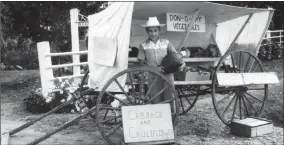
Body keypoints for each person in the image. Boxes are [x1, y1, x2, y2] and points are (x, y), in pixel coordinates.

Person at [137, 17, 185, 106]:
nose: (153, 33)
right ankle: (158, 118)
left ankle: (171, 117)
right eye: (150, 31)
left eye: (155, 30)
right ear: (147, 31)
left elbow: (176, 56)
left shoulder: (166, 43)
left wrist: (183, 64)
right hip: (153, 76)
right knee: (155, 99)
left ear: (159, 31)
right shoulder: (143, 45)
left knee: (169, 98)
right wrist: (154, 69)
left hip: (168, 75)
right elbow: (141, 64)